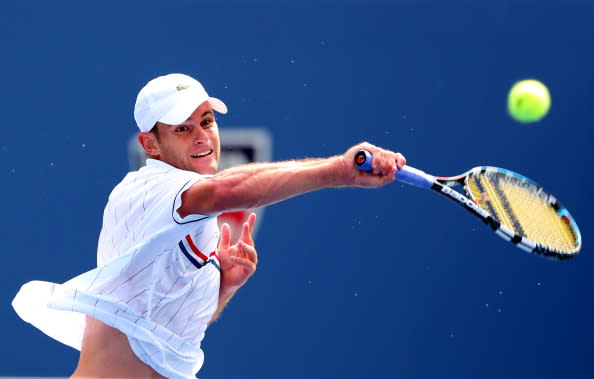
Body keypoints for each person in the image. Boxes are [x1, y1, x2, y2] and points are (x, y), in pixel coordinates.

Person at [12, 73, 406, 378]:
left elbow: (162, 331)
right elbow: (223, 191)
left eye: (206, 122)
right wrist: (339, 170)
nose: (203, 137)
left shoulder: (183, 221)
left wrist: (222, 288)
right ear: (151, 145)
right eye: (182, 129)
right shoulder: (149, 187)